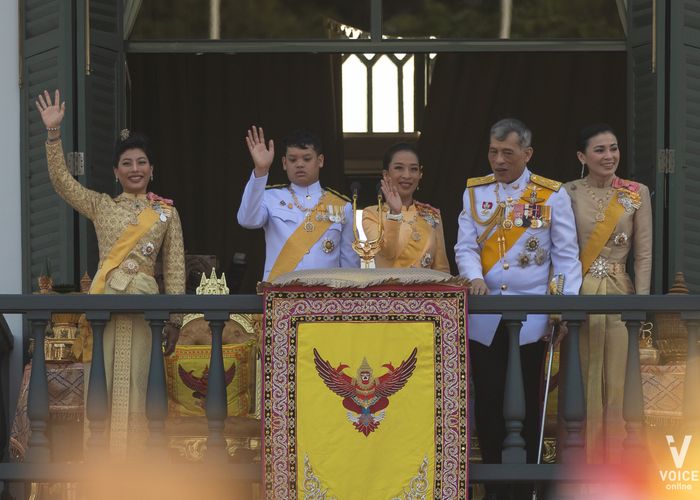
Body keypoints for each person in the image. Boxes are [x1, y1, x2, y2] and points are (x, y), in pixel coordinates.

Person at [36, 90, 185, 456]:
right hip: (105, 305)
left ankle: (141, 468)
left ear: (152, 169)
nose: (135, 169)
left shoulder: (167, 214)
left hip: (145, 309)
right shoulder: (102, 205)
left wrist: (175, 320)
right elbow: (62, 183)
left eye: (142, 162)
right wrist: (53, 135)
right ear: (116, 173)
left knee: (139, 384)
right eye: (127, 163)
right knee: (101, 385)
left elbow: (176, 269)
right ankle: (101, 470)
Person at [455, 118, 582, 498]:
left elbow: (565, 257)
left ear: (526, 154)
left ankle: (523, 487)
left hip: (532, 320)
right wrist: (474, 276)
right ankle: (495, 487)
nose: (498, 160)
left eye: (507, 153)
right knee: (491, 400)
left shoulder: (550, 194)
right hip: (486, 316)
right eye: (493, 151)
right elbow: (465, 246)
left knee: (526, 401)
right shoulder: (475, 194)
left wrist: (559, 306)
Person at [564, 123, 652, 463]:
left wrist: (640, 305)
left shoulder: (635, 192)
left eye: (613, 148)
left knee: (619, 382)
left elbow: (643, 253)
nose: (609, 156)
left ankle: (619, 466)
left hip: (619, 291)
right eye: (599, 150)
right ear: (581, 156)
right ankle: (582, 467)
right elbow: (561, 250)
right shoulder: (567, 192)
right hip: (581, 291)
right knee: (583, 380)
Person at [237, 126, 359, 280]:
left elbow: (350, 263)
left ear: (320, 161)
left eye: (307, 159)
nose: (299, 164)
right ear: (284, 163)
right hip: (280, 292)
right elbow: (247, 220)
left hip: (325, 296)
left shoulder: (342, 206)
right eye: (292, 159)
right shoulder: (270, 197)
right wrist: (261, 170)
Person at [362, 143, 449, 272]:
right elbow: (387, 254)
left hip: (426, 291)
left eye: (413, 169)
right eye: (399, 168)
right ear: (386, 175)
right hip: (389, 291)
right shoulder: (372, 214)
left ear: (420, 175)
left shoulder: (432, 215)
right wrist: (394, 213)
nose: (407, 175)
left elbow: (442, 269)